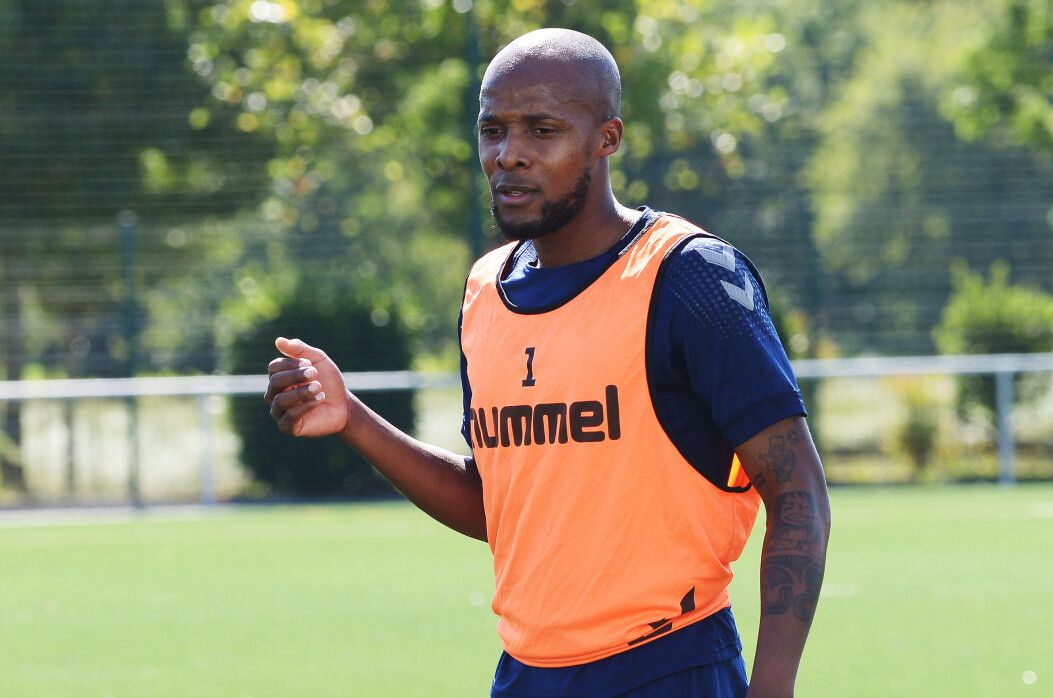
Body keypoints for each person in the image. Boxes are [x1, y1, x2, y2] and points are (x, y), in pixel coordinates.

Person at [264, 28, 830, 698]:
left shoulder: (689, 277)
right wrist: (354, 420)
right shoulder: (484, 292)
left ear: (607, 138)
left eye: (541, 130)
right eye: (493, 130)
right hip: (525, 674)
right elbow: (496, 506)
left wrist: (773, 688)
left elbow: (797, 492)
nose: (509, 156)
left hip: (670, 665)